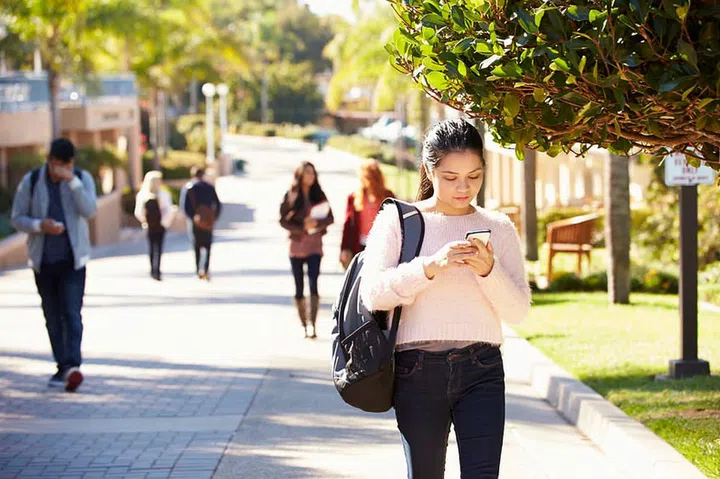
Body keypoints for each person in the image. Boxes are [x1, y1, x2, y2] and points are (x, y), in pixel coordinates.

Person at [359, 119, 531, 478]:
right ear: (429, 170)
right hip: (416, 369)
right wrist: (430, 267)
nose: (463, 187)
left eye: (474, 176)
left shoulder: (498, 227)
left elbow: (518, 312)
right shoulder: (399, 220)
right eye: (451, 177)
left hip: (482, 368)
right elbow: (373, 294)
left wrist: (488, 271)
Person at [10, 138, 98, 392]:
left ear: (71, 163)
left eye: (65, 165)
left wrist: (73, 182)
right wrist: (40, 226)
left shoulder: (81, 179)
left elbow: (90, 210)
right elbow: (17, 217)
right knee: (52, 316)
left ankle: (73, 366)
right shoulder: (32, 181)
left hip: (73, 260)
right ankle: (62, 366)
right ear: (49, 161)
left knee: (72, 313)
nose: (59, 169)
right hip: (44, 261)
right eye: (56, 164)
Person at [279, 161, 334, 339]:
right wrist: (302, 226)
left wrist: (317, 223)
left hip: (315, 246)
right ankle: (303, 323)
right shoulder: (291, 195)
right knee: (299, 287)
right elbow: (282, 220)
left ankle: (313, 325)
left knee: (313, 284)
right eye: (307, 173)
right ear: (300, 175)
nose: (311, 176)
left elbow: (330, 217)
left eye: (313, 173)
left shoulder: (319, 195)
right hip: (296, 246)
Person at [339, 158, 394, 270]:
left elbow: (396, 222)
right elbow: (348, 224)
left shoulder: (388, 196)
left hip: (382, 246)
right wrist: (344, 249)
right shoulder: (354, 197)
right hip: (359, 246)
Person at [134, 171, 174, 281]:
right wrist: (164, 222)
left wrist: (145, 221)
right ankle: (157, 270)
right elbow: (168, 210)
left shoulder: (142, 195)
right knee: (158, 248)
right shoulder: (163, 194)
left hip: (150, 226)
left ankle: (153, 270)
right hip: (160, 225)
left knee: (152, 247)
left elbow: (138, 212)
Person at [183, 168, 222, 281]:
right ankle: (205, 268)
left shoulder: (189, 188)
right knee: (207, 245)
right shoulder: (209, 187)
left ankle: (197, 270)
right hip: (208, 221)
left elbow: (185, 207)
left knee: (196, 246)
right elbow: (218, 204)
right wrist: (214, 218)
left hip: (195, 222)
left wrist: (193, 217)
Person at [178, 166, 199, 243]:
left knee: (194, 239)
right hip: (204, 216)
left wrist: (185, 214)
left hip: (192, 216)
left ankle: (197, 253)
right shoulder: (207, 186)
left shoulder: (188, 187)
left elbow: (183, 202)